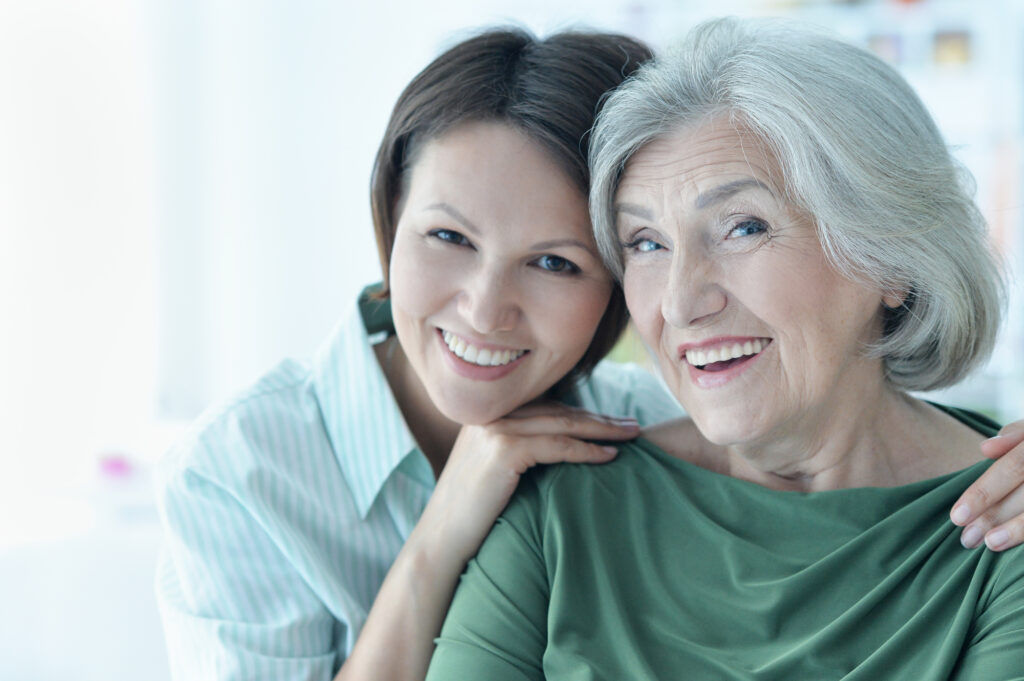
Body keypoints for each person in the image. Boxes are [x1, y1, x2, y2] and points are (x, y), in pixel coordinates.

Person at [427, 18, 1024, 679]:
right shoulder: (560, 510)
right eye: (647, 242)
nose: (680, 303)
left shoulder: (1008, 523)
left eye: (743, 227)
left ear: (890, 259)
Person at [155, 28, 683, 681]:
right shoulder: (238, 469)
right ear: (393, 214)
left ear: (617, 285)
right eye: (449, 236)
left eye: (554, 262)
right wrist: (437, 539)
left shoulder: (652, 429)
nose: (486, 309)